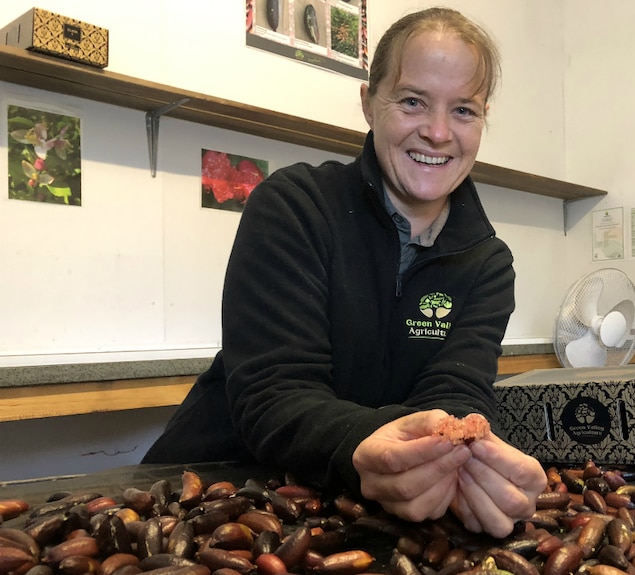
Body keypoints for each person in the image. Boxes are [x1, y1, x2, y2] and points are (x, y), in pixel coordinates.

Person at [143, 6, 546, 538]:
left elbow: (456, 396)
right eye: (412, 102)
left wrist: (462, 457)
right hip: (221, 500)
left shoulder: (490, 264)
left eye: (464, 110)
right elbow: (274, 394)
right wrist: (373, 446)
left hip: (360, 513)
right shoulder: (294, 207)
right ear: (368, 104)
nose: (439, 132)